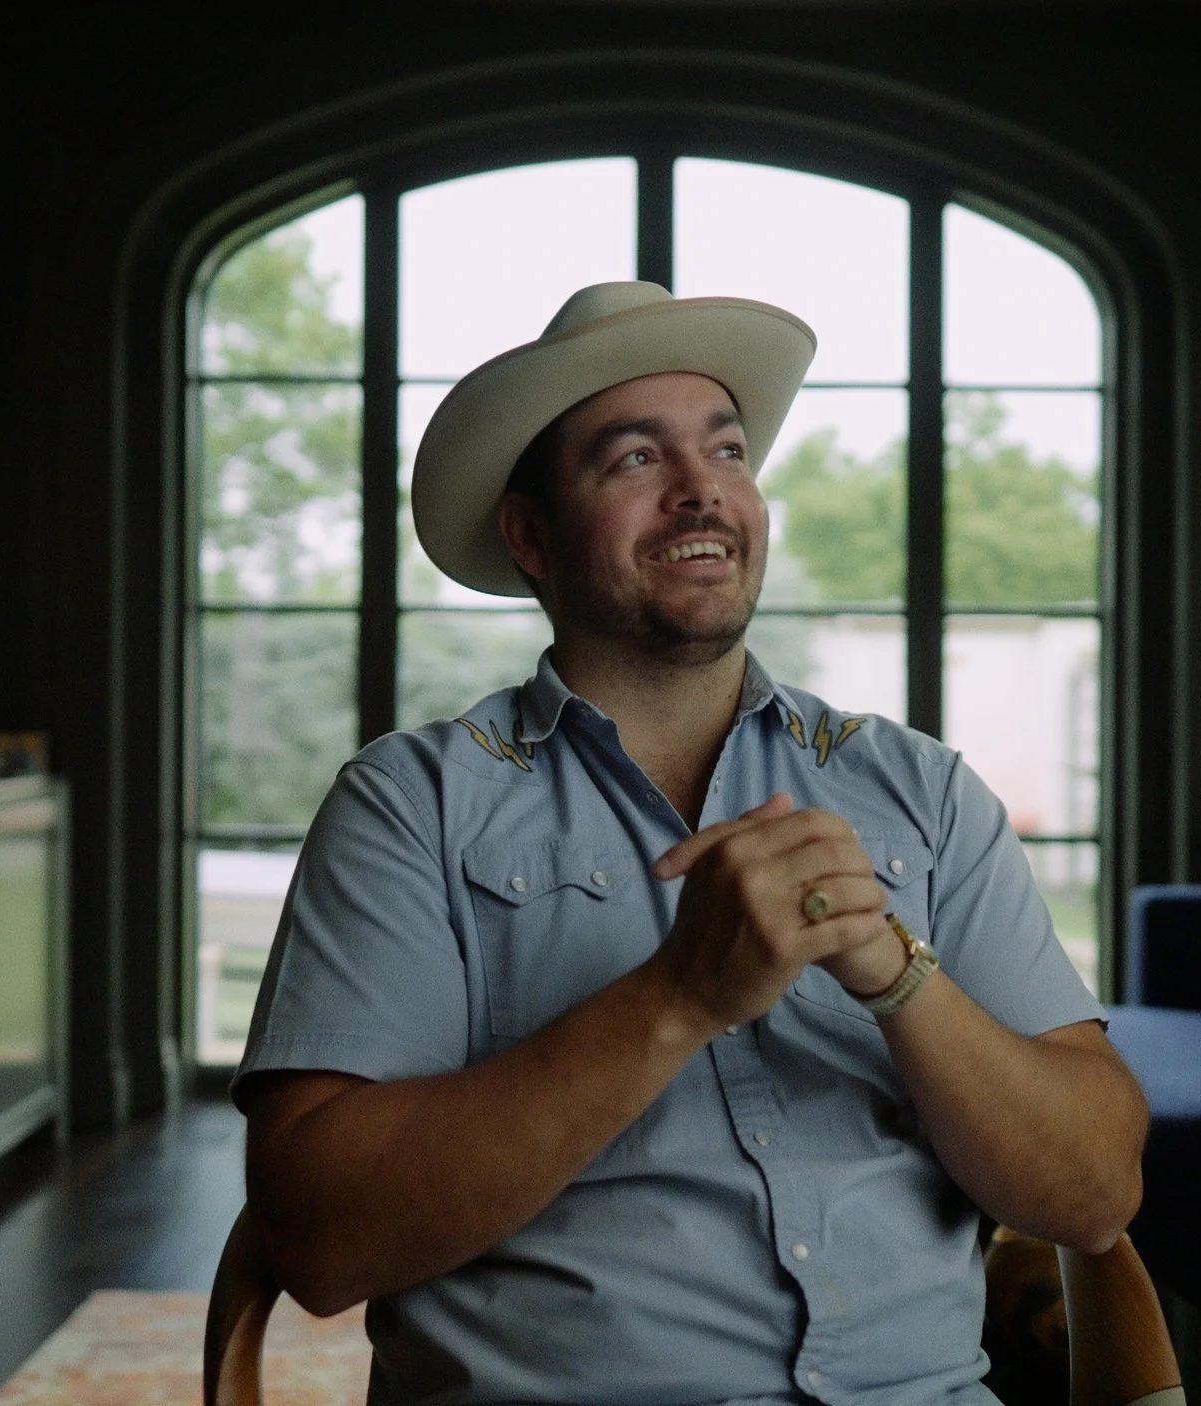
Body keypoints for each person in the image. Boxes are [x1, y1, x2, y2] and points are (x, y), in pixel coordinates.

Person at [234, 281, 1149, 1404]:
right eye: (633, 459)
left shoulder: (923, 791)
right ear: (530, 534)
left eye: (726, 449)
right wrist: (678, 996)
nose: (701, 488)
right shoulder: (407, 805)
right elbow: (320, 1238)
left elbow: (1095, 1192)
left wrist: (894, 971)